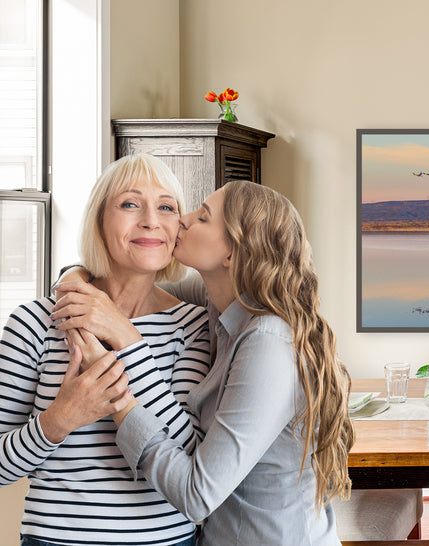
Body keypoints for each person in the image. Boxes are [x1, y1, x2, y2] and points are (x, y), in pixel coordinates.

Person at [58, 180, 354, 545]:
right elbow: (128, 286)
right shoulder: (221, 302)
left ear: (231, 252)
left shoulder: (267, 341)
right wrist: (73, 278)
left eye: (202, 217)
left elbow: (197, 495)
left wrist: (118, 395)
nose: (182, 219)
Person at [0, 154, 210, 546]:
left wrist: (126, 338)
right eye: (130, 203)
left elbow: (190, 458)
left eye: (166, 207)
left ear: (177, 229)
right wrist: (58, 421)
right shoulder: (33, 323)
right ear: (98, 221)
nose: (150, 219)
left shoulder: (194, 326)